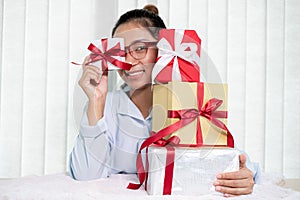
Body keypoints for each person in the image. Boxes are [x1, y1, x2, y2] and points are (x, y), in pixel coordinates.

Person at [69, 5, 259, 197]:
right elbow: (86, 175)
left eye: (140, 48)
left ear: (162, 51)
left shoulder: (186, 100)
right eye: (120, 53)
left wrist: (244, 172)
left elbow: (228, 156)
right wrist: (96, 99)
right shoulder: (104, 104)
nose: (128, 61)